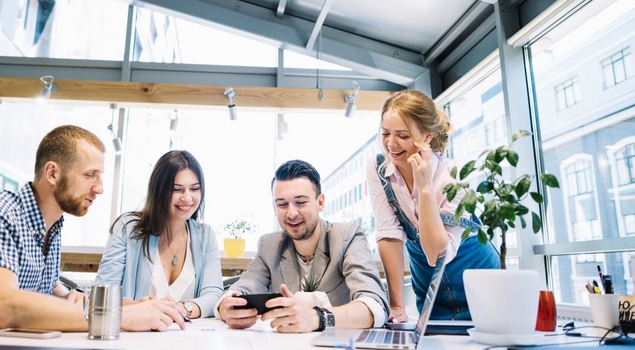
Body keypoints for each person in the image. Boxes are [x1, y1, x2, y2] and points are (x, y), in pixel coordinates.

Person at [0, 125, 184, 348]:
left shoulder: (51, 226)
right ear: (52, 172)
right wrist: (116, 316)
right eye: (91, 175)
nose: (99, 188)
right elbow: (0, 308)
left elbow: (60, 298)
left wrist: (138, 306)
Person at [366, 89, 499, 322]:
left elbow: (436, 253)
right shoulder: (379, 170)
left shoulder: (454, 177)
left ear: (427, 137)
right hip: (430, 288)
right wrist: (397, 306)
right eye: (385, 133)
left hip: (479, 283)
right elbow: (389, 235)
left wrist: (425, 187)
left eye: (403, 136)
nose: (390, 143)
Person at [217, 160, 389, 332]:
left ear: (320, 202)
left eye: (300, 202)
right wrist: (226, 306)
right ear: (274, 208)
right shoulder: (269, 245)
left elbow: (374, 305)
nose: (291, 213)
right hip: (284, 349)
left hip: (339, 348)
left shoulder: (347, 237)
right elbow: (244, 287)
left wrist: (317, 318)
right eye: (282, 204)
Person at [94, 150, 222, 320]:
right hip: (135, 336)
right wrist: (141, 308)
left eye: (194, 189)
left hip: (186, 338)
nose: (187, 198)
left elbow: (213, 295)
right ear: (159, 190)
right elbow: (103, 294)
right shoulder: (128, 229)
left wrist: (184, 308)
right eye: (177, 190)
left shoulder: (206, 236)